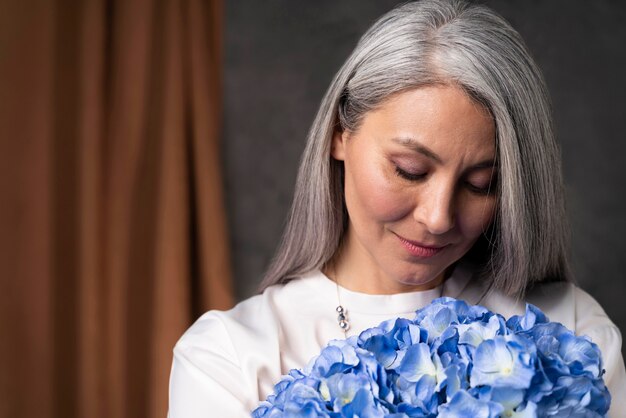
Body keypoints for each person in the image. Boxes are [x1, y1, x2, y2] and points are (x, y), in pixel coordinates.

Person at [168, 0, 626, 416]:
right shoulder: (227, 358)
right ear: (339, 133)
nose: (438, 217)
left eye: (480, 185)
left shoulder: (568, 331)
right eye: (410, 170)